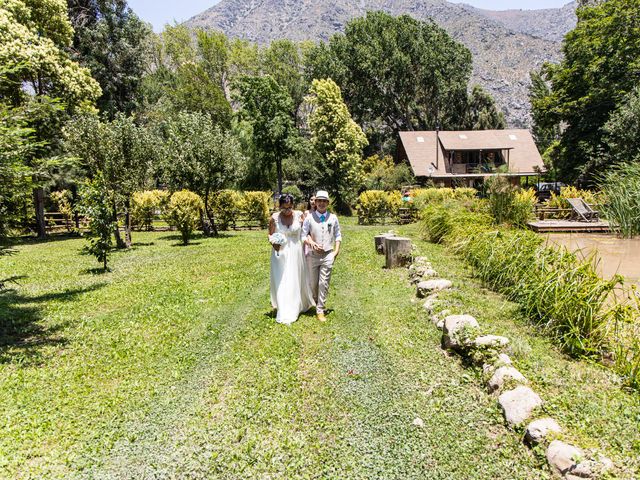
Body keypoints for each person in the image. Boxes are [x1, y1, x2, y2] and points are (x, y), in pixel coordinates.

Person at [268, 194, 315, 325]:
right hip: (280, 252)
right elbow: (270, 234)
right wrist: (273, 242)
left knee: (294, 279)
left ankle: (296, 305)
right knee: (282, 280)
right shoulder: (274, 218)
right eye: (284, 208)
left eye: (290, 208)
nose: (287, 211)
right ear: (279, 207)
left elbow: (306, 232)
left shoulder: (300, 215)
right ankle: (284, 309)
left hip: (296, 251)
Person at [302, 190, 342, 322]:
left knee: (323, 282)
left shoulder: (333, 217)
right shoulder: (309, 217)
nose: (321, 203)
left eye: (324, 201)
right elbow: (303, 235)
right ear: (315, 202)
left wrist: (336, 251)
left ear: (328, 203)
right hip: (313, 256)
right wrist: (311, 242)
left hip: (328, 254)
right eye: (319, 201)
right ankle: (315, 300)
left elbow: (337, 235)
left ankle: (320, 309)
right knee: (313, 284)